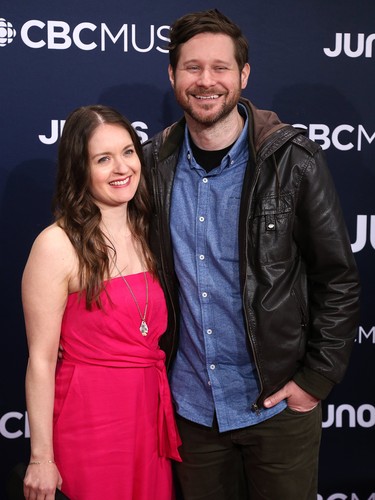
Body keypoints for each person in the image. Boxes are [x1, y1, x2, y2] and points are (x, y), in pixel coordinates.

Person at [142, 9, 360, 500]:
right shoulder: (152, 163)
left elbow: (337, 277)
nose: (206, 81)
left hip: (278, 409)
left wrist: (317, 378)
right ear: (172, 76)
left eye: (220, 67)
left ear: (243, 75)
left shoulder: (294, 160)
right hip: (192, 413)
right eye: (192, 67)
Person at [22, 105, 181, 500]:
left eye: (128, 152)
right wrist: (41, 458)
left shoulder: (150, 232)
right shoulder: (56, 246)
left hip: (148, 420)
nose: (121, 168)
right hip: (88, 424)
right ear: (80, 169)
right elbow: (41, 361)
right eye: (103, 159)